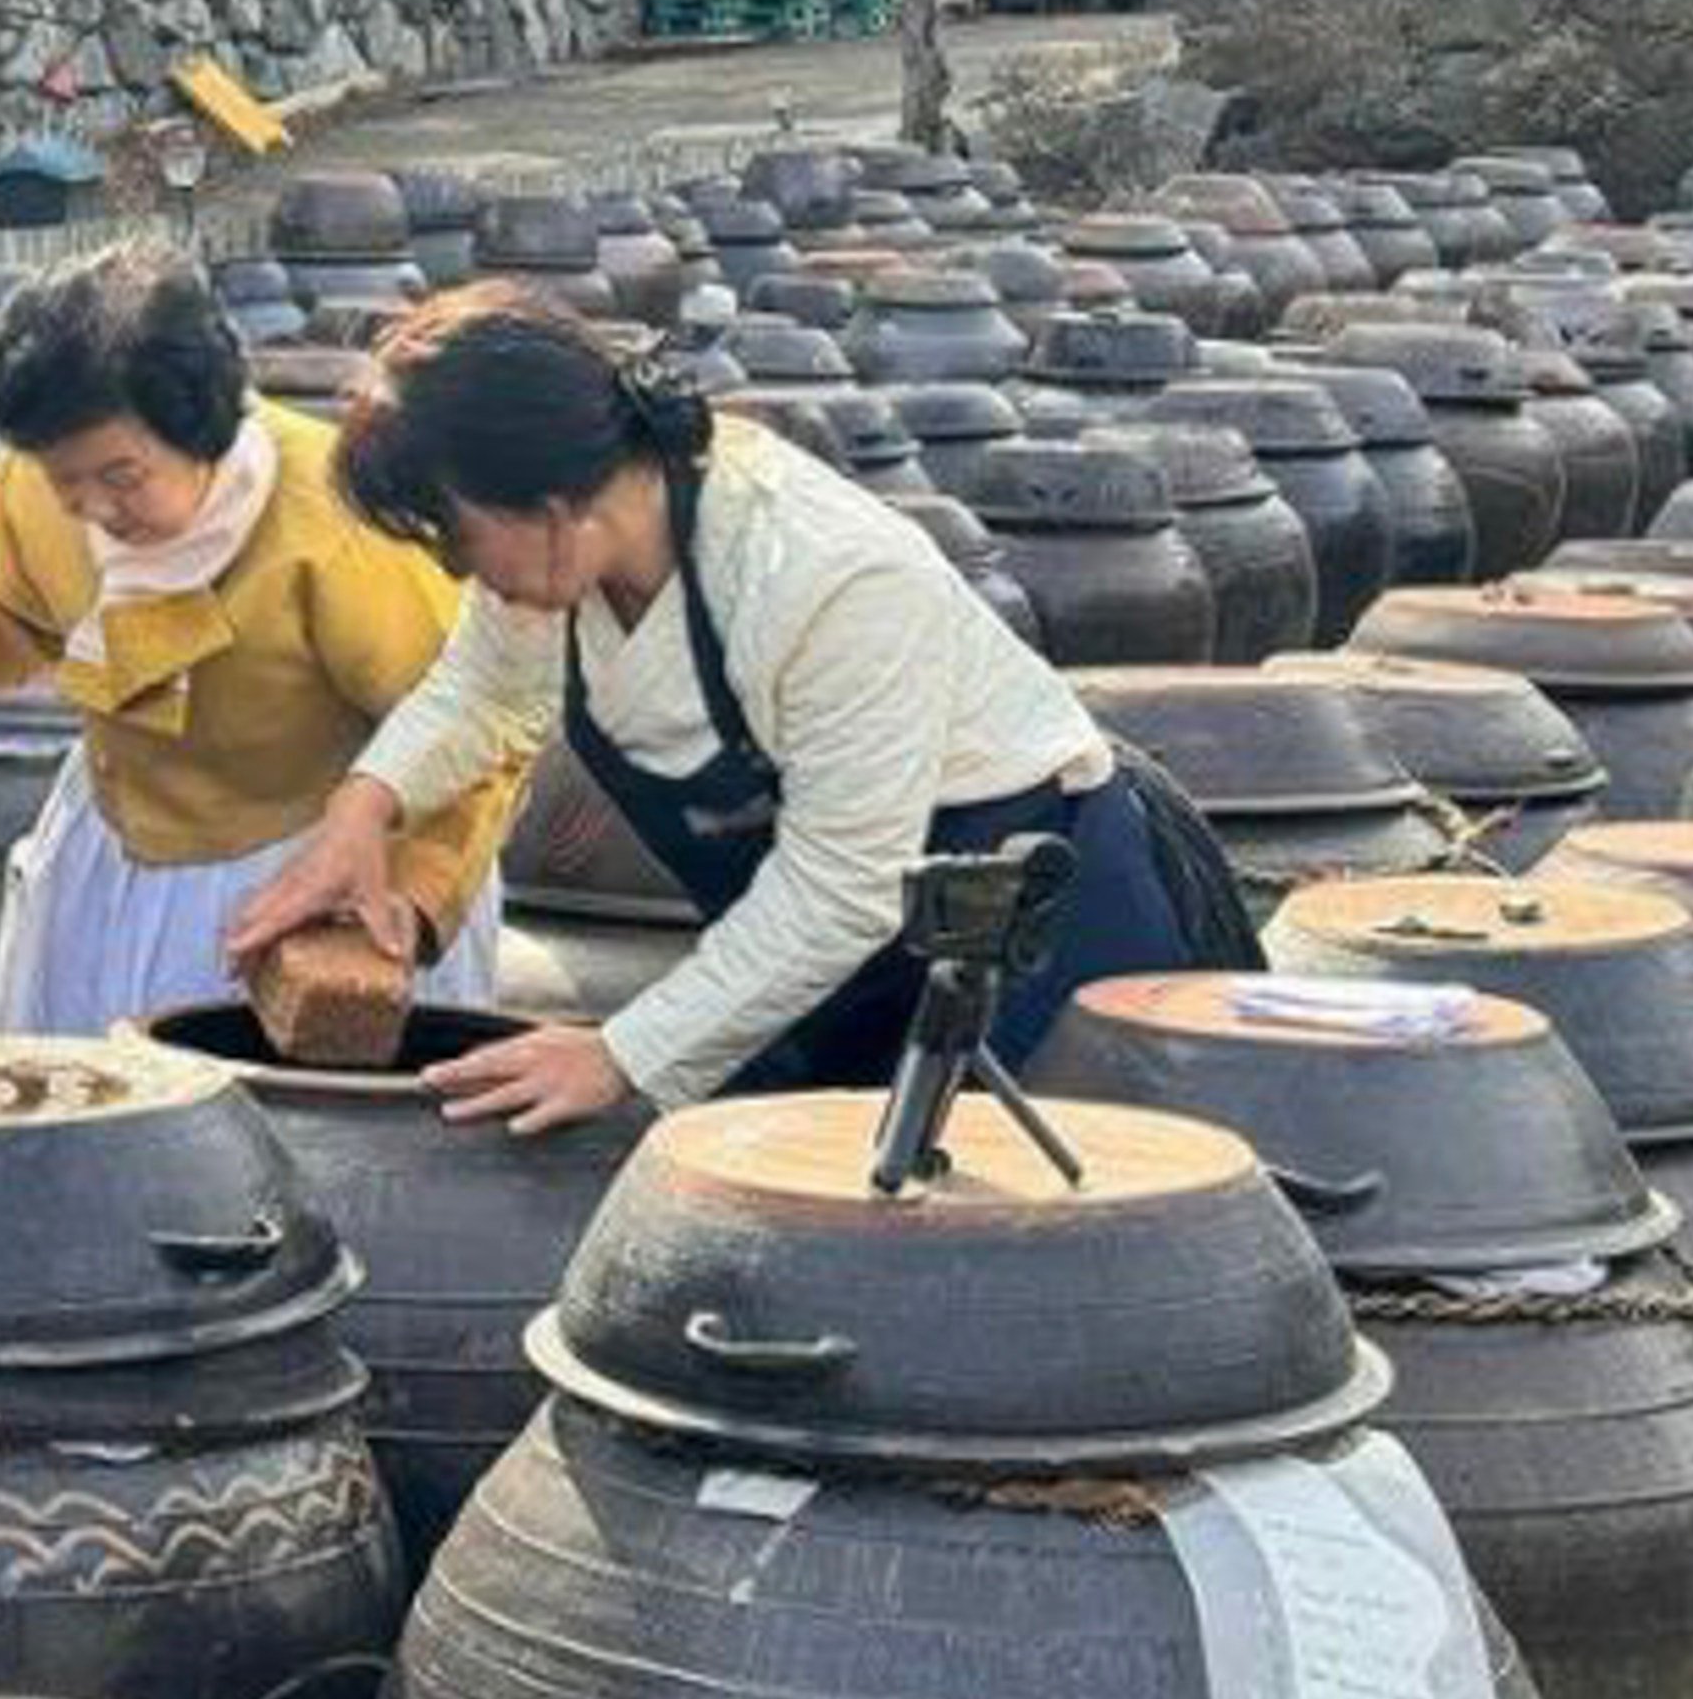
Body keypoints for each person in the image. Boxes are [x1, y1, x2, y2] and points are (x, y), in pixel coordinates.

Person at [227, 286, 1253, 1132]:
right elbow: (480, 692)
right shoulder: (562, 558)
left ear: (549, 507)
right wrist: (362, 808)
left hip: (1027, 927)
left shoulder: (822, 575)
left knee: (1017, 1260)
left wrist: (622, 1053)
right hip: (834, 951)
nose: (458, 573)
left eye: (453, 540)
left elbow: (840, 888)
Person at [0, 242, 521, 1037]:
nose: (91, 507)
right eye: (64, 480)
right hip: (108, 853)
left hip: (295, 872)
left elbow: (472, 730)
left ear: (200, 426)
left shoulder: (335, 521)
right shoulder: (42, 475)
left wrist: (409, 893)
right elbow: (7, 612)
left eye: (122, 476)